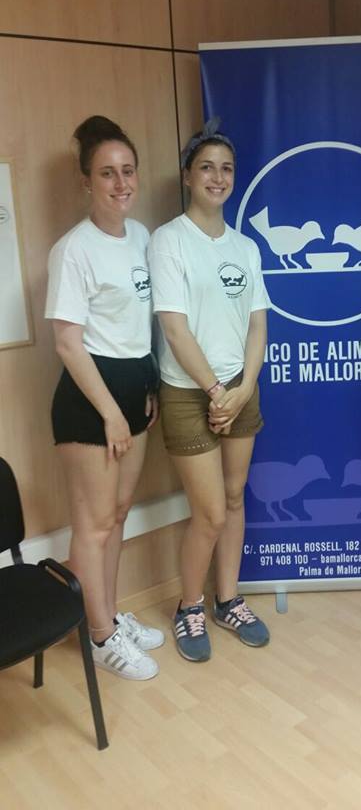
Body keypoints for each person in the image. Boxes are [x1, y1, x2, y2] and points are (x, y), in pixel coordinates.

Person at [45, 115, 164, 680]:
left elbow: (139, 327)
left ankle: (109, 616)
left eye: (128, 171)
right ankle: (98, 637)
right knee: (92, 525)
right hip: (91, 404)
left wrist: (148, 388)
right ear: (86, 182)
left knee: (117, 514)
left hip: (135, 394)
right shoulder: (73, 249)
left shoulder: (140, 236)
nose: (121, 183)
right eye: (107, 173)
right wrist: (112, 414)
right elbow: (67, 342)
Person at [148, 119, 270, 663]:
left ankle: (228, 600)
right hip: (188, 392)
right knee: (211, 514)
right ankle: (189, 606)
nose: (217, 177)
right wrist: (218, 391)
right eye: (206, 168)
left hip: (240, 389)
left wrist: (244, 387)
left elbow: (258, 324)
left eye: (226, 169)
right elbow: (174, 329)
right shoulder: (168, 240)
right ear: (187, 176)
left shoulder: (246, 246)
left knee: (235, 497)